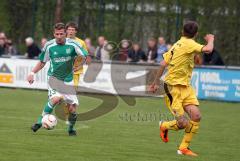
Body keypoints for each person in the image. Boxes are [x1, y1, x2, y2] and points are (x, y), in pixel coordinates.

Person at [149, 21, 214, 156]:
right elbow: (208, 49)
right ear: (196, 34)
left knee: (196, 116)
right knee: (183, 123)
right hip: (172, 88)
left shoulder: (178, 43)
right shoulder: (188, 44)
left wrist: (155, 82)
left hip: (185, 87)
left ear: (182, 32)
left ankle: (183, 148)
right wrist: (211, 39)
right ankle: (164, 126)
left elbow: (162, 64)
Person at [27, 22, 89, 136]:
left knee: (72, 110)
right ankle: (40, 122)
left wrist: (79, 65)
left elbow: (85, 56)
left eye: (61, 34)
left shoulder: (73, 44)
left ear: (65, 33)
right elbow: (42, 62)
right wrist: (32, 73)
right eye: (57, 34)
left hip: (68, 81)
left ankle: (71, 129)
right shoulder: (49, 46)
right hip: (54, 78)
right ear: (54, 34)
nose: (59, 36)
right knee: (55, 99)